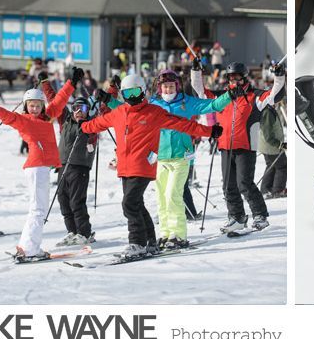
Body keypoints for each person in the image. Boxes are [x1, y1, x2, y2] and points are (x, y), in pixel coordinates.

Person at [84, 74, 221, 258]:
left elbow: (182, 125)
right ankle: (150, 241)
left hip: (143, 166)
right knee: (137, 204)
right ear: (123, 94)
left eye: (135, 92)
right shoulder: (119, 112)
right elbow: (97, 123)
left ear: (142, 91)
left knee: (129, 204)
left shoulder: (153, 112)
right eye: (128, 93)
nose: (132, 96)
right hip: (125, 168)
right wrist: (81, 125)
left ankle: (137, 243)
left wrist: (209, 131)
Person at [0, 69, 77, 262]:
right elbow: (7, 116)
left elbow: (59, 101)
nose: (35, 109)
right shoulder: (25, 121)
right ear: (26, 107)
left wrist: (72, 82)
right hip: (37, 168)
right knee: (39, 210)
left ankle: (26, 245)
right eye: (31, 106)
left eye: (38, 105)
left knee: (36, 209)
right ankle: (30, 249)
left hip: (41, 168)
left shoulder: (47, 117)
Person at [192, 59, 285, 233]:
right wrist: (196, 71)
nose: (234, 82)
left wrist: (279, 76)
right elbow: (200, 93)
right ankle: (236, 217)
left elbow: (274, 94)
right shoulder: (222, 98)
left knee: (244, 183)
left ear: (244, 78)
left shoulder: (255, 96)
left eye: (237, 78)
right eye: (231, 78)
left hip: (245, 146)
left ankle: (260, 215)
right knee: (228, 185)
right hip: (225, 146)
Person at [54, 97, 98, 246]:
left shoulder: (90, 125)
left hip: (80, 167)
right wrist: (45, 82)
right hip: (62, 166)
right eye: (76, 108)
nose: (79, 112)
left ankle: (84, 233)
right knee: (63, 200)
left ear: (88, 111)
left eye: (83, 109)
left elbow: (103, 111)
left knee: (76, 202)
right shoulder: (65, 122)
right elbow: (56, 100)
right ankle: (72, 232)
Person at [259, 99, 286, 198]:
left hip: (269, 146)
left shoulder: (270, 110)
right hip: (270, 146)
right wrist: (280, 144)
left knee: (271, 165)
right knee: (282, 166)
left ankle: (266, 189)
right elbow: (268, 135)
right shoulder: (267, 112)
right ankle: (278, 190)